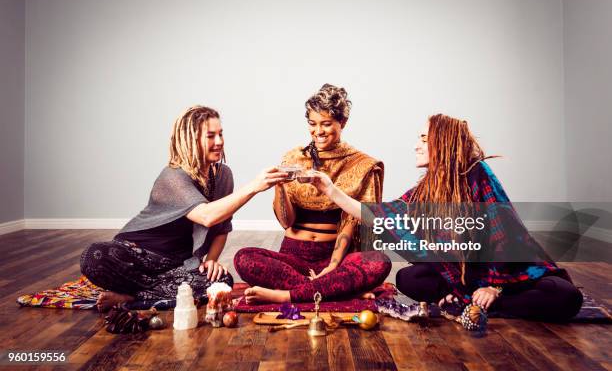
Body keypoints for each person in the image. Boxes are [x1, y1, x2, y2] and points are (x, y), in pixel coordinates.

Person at [310, 114, 583, 321]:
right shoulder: (429, 187)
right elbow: (383, 215)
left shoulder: (477, 173)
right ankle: (469, 301)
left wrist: (494, 287)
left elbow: (506, 235)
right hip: (466, 278)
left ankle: (476, 305)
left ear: (443, 143)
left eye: (424, 139)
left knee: (566, 297)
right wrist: (330, 190)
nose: (416, 146)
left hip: (511, 274)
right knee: (408, 279)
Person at [80, 105, 288, 311]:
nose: (219, 142)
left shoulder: (224, 175)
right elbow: (207, 216)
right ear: (190, 141)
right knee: (94, 256)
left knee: (222, 281)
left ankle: (131, 297)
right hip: (139, 256)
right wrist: (254, 186)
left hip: (177, 265)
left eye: (220, 134)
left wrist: (211, 261)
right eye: (210, 136)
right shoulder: (172, 176)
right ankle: (149, 294)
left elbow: (222, 227)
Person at [234, 84, 391, 304]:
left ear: (342, 122)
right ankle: (337, 292)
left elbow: (353, 221)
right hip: (293, 255)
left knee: (379, 261)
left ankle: (287, 295)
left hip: (333, 256)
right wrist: (280, 186)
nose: (318, 131)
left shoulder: (360, 164)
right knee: (244, 258)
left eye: (326, 124)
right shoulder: (293, 158)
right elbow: (286, 221)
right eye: (312, 124)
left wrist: (333, 266)